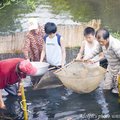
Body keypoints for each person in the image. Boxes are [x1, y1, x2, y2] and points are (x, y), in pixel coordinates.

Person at [84, 28, 120, 94]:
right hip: (110, 67)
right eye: (99, 41)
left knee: (116, 90)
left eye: (102, 42)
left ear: (107, 38)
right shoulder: (100, 42)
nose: (100, 43)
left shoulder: (116, 45)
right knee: (106, 87)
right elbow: (95, 51)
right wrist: (86, 58)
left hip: (118, 68)